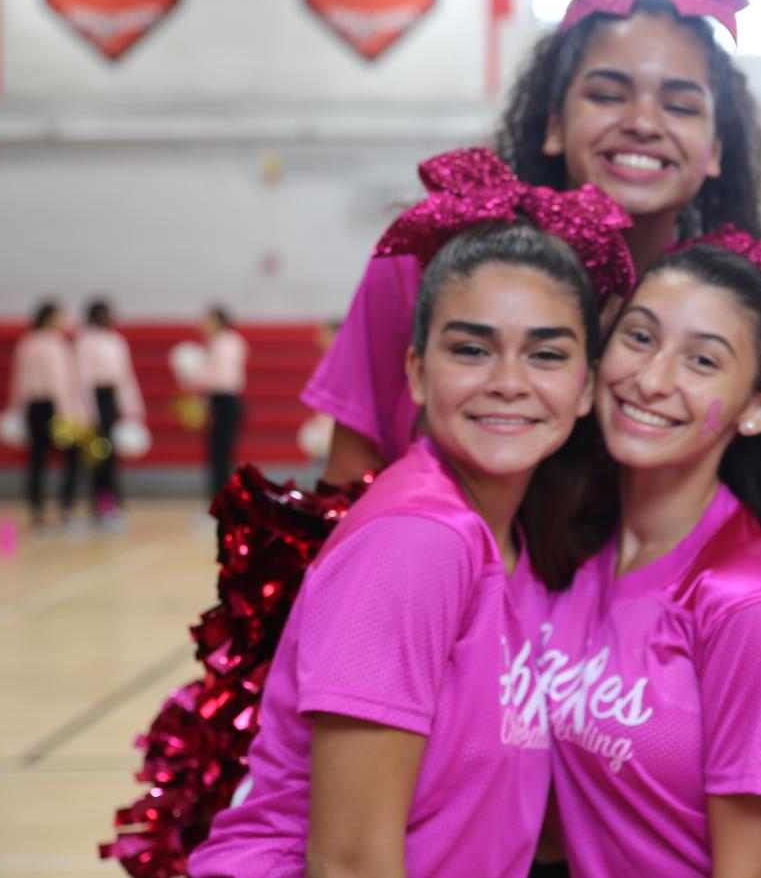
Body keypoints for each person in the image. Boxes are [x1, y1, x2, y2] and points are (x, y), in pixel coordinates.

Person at [188, 209, 633, 877]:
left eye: (545, 353)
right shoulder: (417, 541)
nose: (508, 381)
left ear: (585, 388)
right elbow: (350, 861)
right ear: (418, 373)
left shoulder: (504, 537)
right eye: (471, 349)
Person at [305, 0, 761, 487]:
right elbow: (348, 477)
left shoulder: (723, 309)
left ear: (716, 149)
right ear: (554, 124)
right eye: (608, 95)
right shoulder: (430, 257)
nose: (643, 123)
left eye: (680, 106)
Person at [538, 230, 761, 876]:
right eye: (639, 337)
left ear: (759, 407)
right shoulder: (578, 546)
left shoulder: (747, 608)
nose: (651, 379)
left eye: (702, 361)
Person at [7, 300, 87, 531]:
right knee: (72, 458)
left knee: (37, 460)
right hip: (55, 408)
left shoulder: (27, 343)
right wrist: (70, 414)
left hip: (34, 408)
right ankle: (66, 511)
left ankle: (38, 515)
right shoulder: (55, 345)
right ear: (51, 318)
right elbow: (59, 384)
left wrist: (17, 409)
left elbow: (18, 381)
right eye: (62, 317)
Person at [74, 299, 145, 527]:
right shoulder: (85, 341)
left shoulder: (116, 340)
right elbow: (83, 379)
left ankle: (112, 505)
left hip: (110, 399)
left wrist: (132, 406)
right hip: (95, 399)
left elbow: (124, 376)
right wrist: (89, 411)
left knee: (110, 457)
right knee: (99, 457)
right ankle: (102, 506)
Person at [195, 306, 247, 501]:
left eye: (206, 320)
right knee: (217, 455)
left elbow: (224, 379)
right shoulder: (217, 343)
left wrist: (196, 377)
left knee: (221, 456)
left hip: (225, 402)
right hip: (218, 402)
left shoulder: (226, 343)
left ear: (217, 321)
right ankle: (220, 501)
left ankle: (223, 503)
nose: (202, 325)